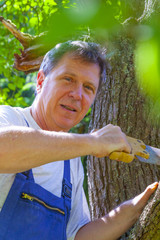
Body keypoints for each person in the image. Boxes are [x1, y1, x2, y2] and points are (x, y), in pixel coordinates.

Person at [0, 40, 158, 240]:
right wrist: (94, 142)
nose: (77, 94)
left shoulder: (71, 164)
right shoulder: (9, 119)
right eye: (68, 78)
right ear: (40, 81)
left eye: (89, 87)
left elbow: (77, 236)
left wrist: (139, 206)